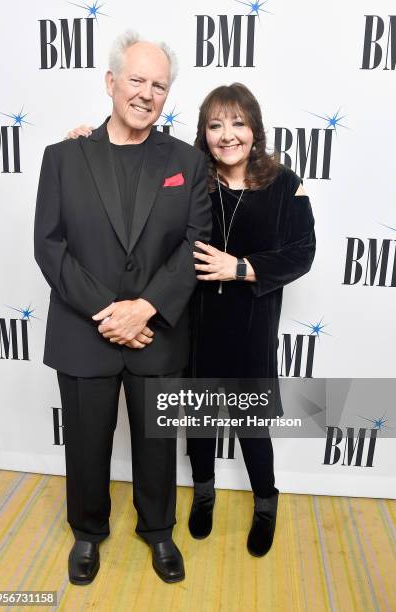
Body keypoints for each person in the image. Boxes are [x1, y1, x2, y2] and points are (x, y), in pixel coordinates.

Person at [67, 83, 316, 558]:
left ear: (255, 129)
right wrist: (83, 145)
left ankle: (266, 502)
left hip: (250, 326)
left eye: (238, 123)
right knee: (199, 422)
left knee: (252, 422)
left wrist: (240, 268)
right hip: (193, 323)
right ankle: (204, 493)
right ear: (204, 133)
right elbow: (129, 158)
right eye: (216, 125)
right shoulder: (189, 175)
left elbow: (303, 252)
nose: (228, 135)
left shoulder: (284, 183)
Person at [34, 30, 212, 586]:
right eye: (136, 80)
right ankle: (88, 532)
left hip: (156, 332)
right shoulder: (63, 156)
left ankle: (158, 531)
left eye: (159, 85)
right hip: (86, 329)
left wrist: (147, 309)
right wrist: (112, 312)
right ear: (111, 83)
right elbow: (50, 244)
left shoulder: (187, 161)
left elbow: (195, 244)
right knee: (86, 442)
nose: (146, 94)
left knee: (157, 443)